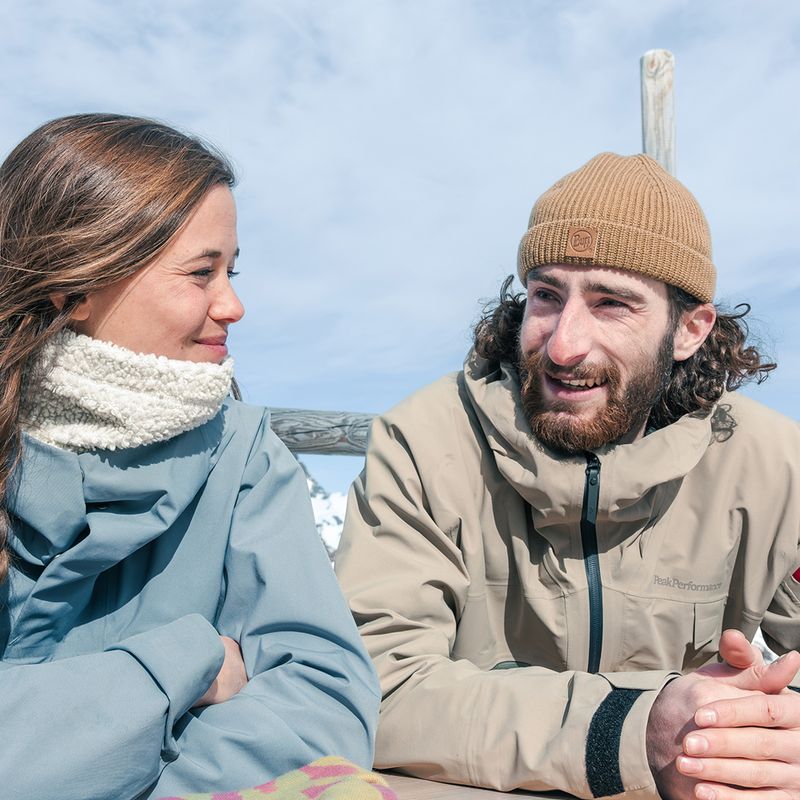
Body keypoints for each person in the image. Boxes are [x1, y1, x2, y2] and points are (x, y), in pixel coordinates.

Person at [335, 153, 800, 799]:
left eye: (611, 304)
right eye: (547, 297)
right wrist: (633, 733)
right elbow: (370, 687)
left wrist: (763, 735)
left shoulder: (775, 467)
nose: (562, 345)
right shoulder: (425, 442)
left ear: (690, 330)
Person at [0, 113, 380, 800]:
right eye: (202, 273)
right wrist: (182, 663)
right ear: (73, 286)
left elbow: (323, 699)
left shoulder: (242, 455)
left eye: (230, 271)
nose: (233, 305)